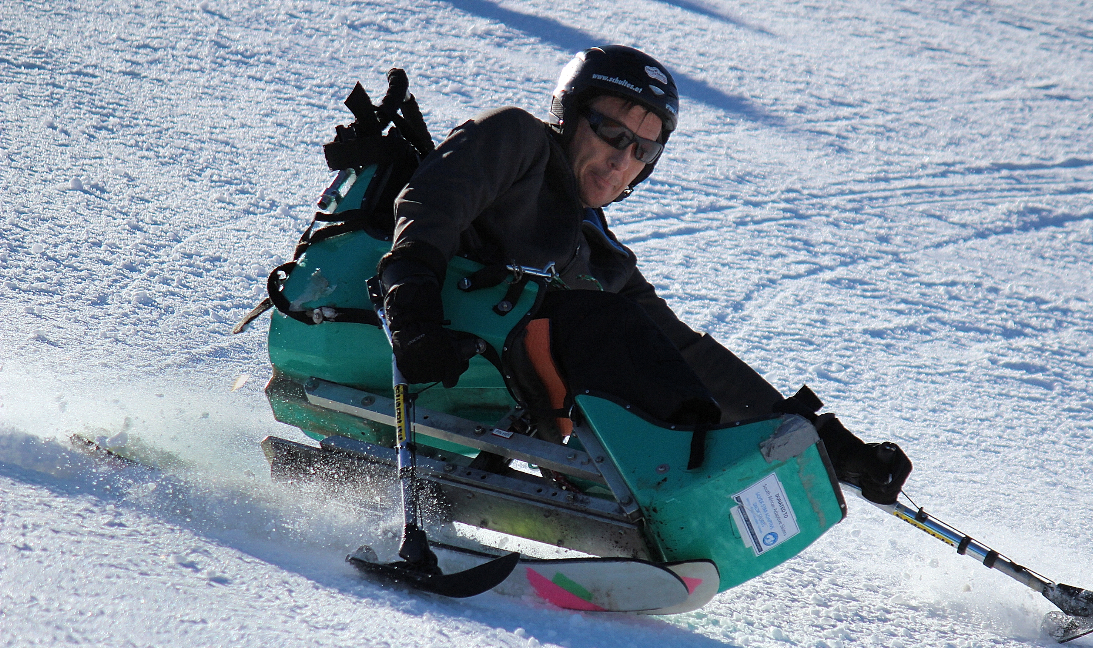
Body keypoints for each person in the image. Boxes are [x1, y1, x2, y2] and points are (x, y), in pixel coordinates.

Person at [378, 45, 912, 505]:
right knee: (609, 327)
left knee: (638, 339)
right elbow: (429, 205)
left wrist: (821, 440)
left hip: (485, 376)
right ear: (569, 115)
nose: (622, 159)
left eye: (642, 149)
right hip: (407, 332)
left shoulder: (595, 250)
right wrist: (412, 310)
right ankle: (689, 478)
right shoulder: (518, 139)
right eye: (611, 132)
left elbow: (681, 351)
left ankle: (705, 471)